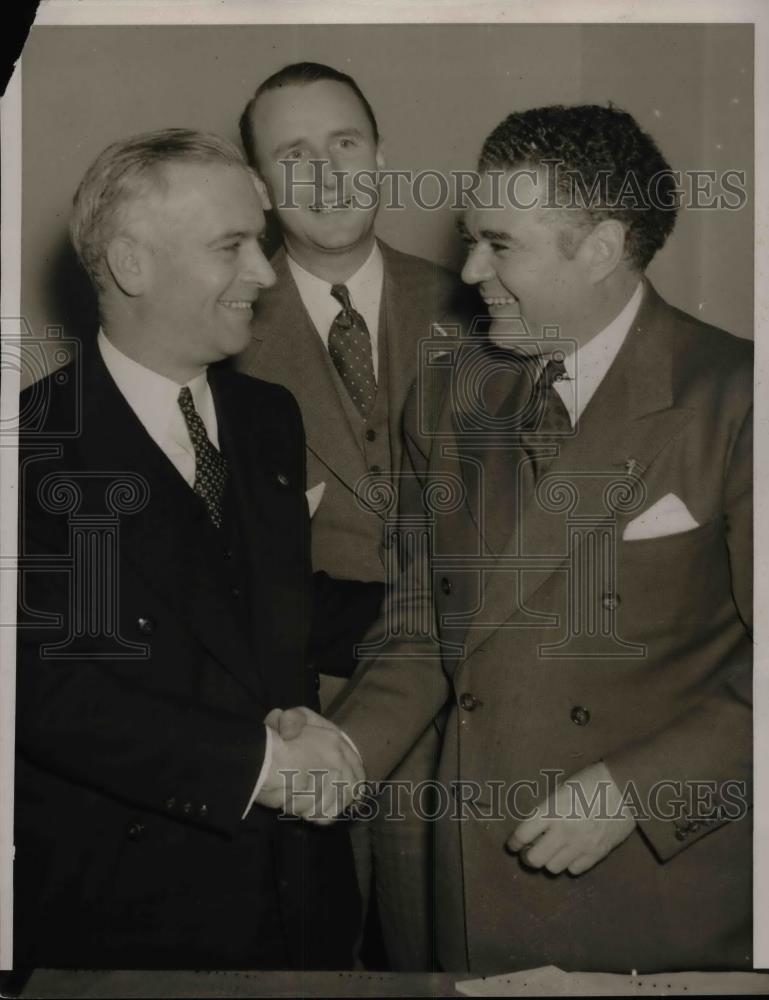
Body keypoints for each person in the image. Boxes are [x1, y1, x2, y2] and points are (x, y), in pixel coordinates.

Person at [323, 104, 753, 973]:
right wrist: (339, 752)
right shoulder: (447, 395)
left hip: (651, 889)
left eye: (500, 243)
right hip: (469, 882)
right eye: (468, 237)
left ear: (599, 246)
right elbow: (417, 629)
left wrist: (639, 787)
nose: (470, 268)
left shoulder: (736, 397)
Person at [14, 128, 363, 970]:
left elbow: (264, 606)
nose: (266, 272)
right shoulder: (34, 448)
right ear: (133, 264)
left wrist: (458, 613)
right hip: (135, 914)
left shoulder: (264, 416)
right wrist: (264, 765)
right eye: (232, 247)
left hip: (296, 893)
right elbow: (49, 689)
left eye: (261, 241)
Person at [235, 62, 478, 970]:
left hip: (468, 721)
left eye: (345, 145)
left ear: (381, 156)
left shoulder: (482, 307)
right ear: (258, 185)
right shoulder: (223, 333)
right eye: (295, 155)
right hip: (300, 725)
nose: (329, 174)